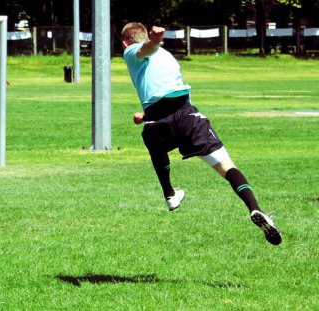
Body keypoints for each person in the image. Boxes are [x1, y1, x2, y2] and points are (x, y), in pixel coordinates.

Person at [120, 22, 282, 245]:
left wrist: (153, 42)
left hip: (158, 119)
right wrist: (155, 42)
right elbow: (155, 66)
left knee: (151, 137)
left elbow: (143, 50)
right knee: (227, 167)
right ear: (144, 36)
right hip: (185, 116)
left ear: (125, 41)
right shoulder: (167, 55)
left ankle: (169, 194)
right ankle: (255, 208)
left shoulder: (130, 50)